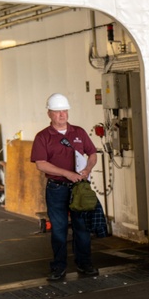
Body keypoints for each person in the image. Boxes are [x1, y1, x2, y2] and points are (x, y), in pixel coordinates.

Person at [30, 93, 99, 281]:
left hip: (79, 189)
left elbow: (92, 153)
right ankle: (59, 267)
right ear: (49, 114)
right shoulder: (43, 136)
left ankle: (84, 264)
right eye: (57, 112)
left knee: (81, 228)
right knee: (59, 229)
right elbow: (41, 164)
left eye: (64, 111)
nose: (62, 115)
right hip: (57, 188)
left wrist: (87, 168)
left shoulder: (79, 132)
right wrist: (67, 173)